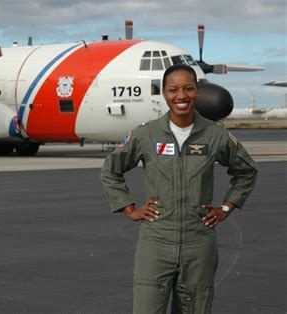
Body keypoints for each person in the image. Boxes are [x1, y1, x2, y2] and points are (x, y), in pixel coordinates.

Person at [100, 64, 258, 313]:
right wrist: (129, 208)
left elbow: (247, 171)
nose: (181, 96)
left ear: (197, 92)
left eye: (188, 88)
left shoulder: (215, 136)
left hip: (199, 243)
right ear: (164, 93)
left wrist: (226, 207)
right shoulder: (145, 135)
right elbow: (111, 169)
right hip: (156, 241)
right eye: (173, 89)